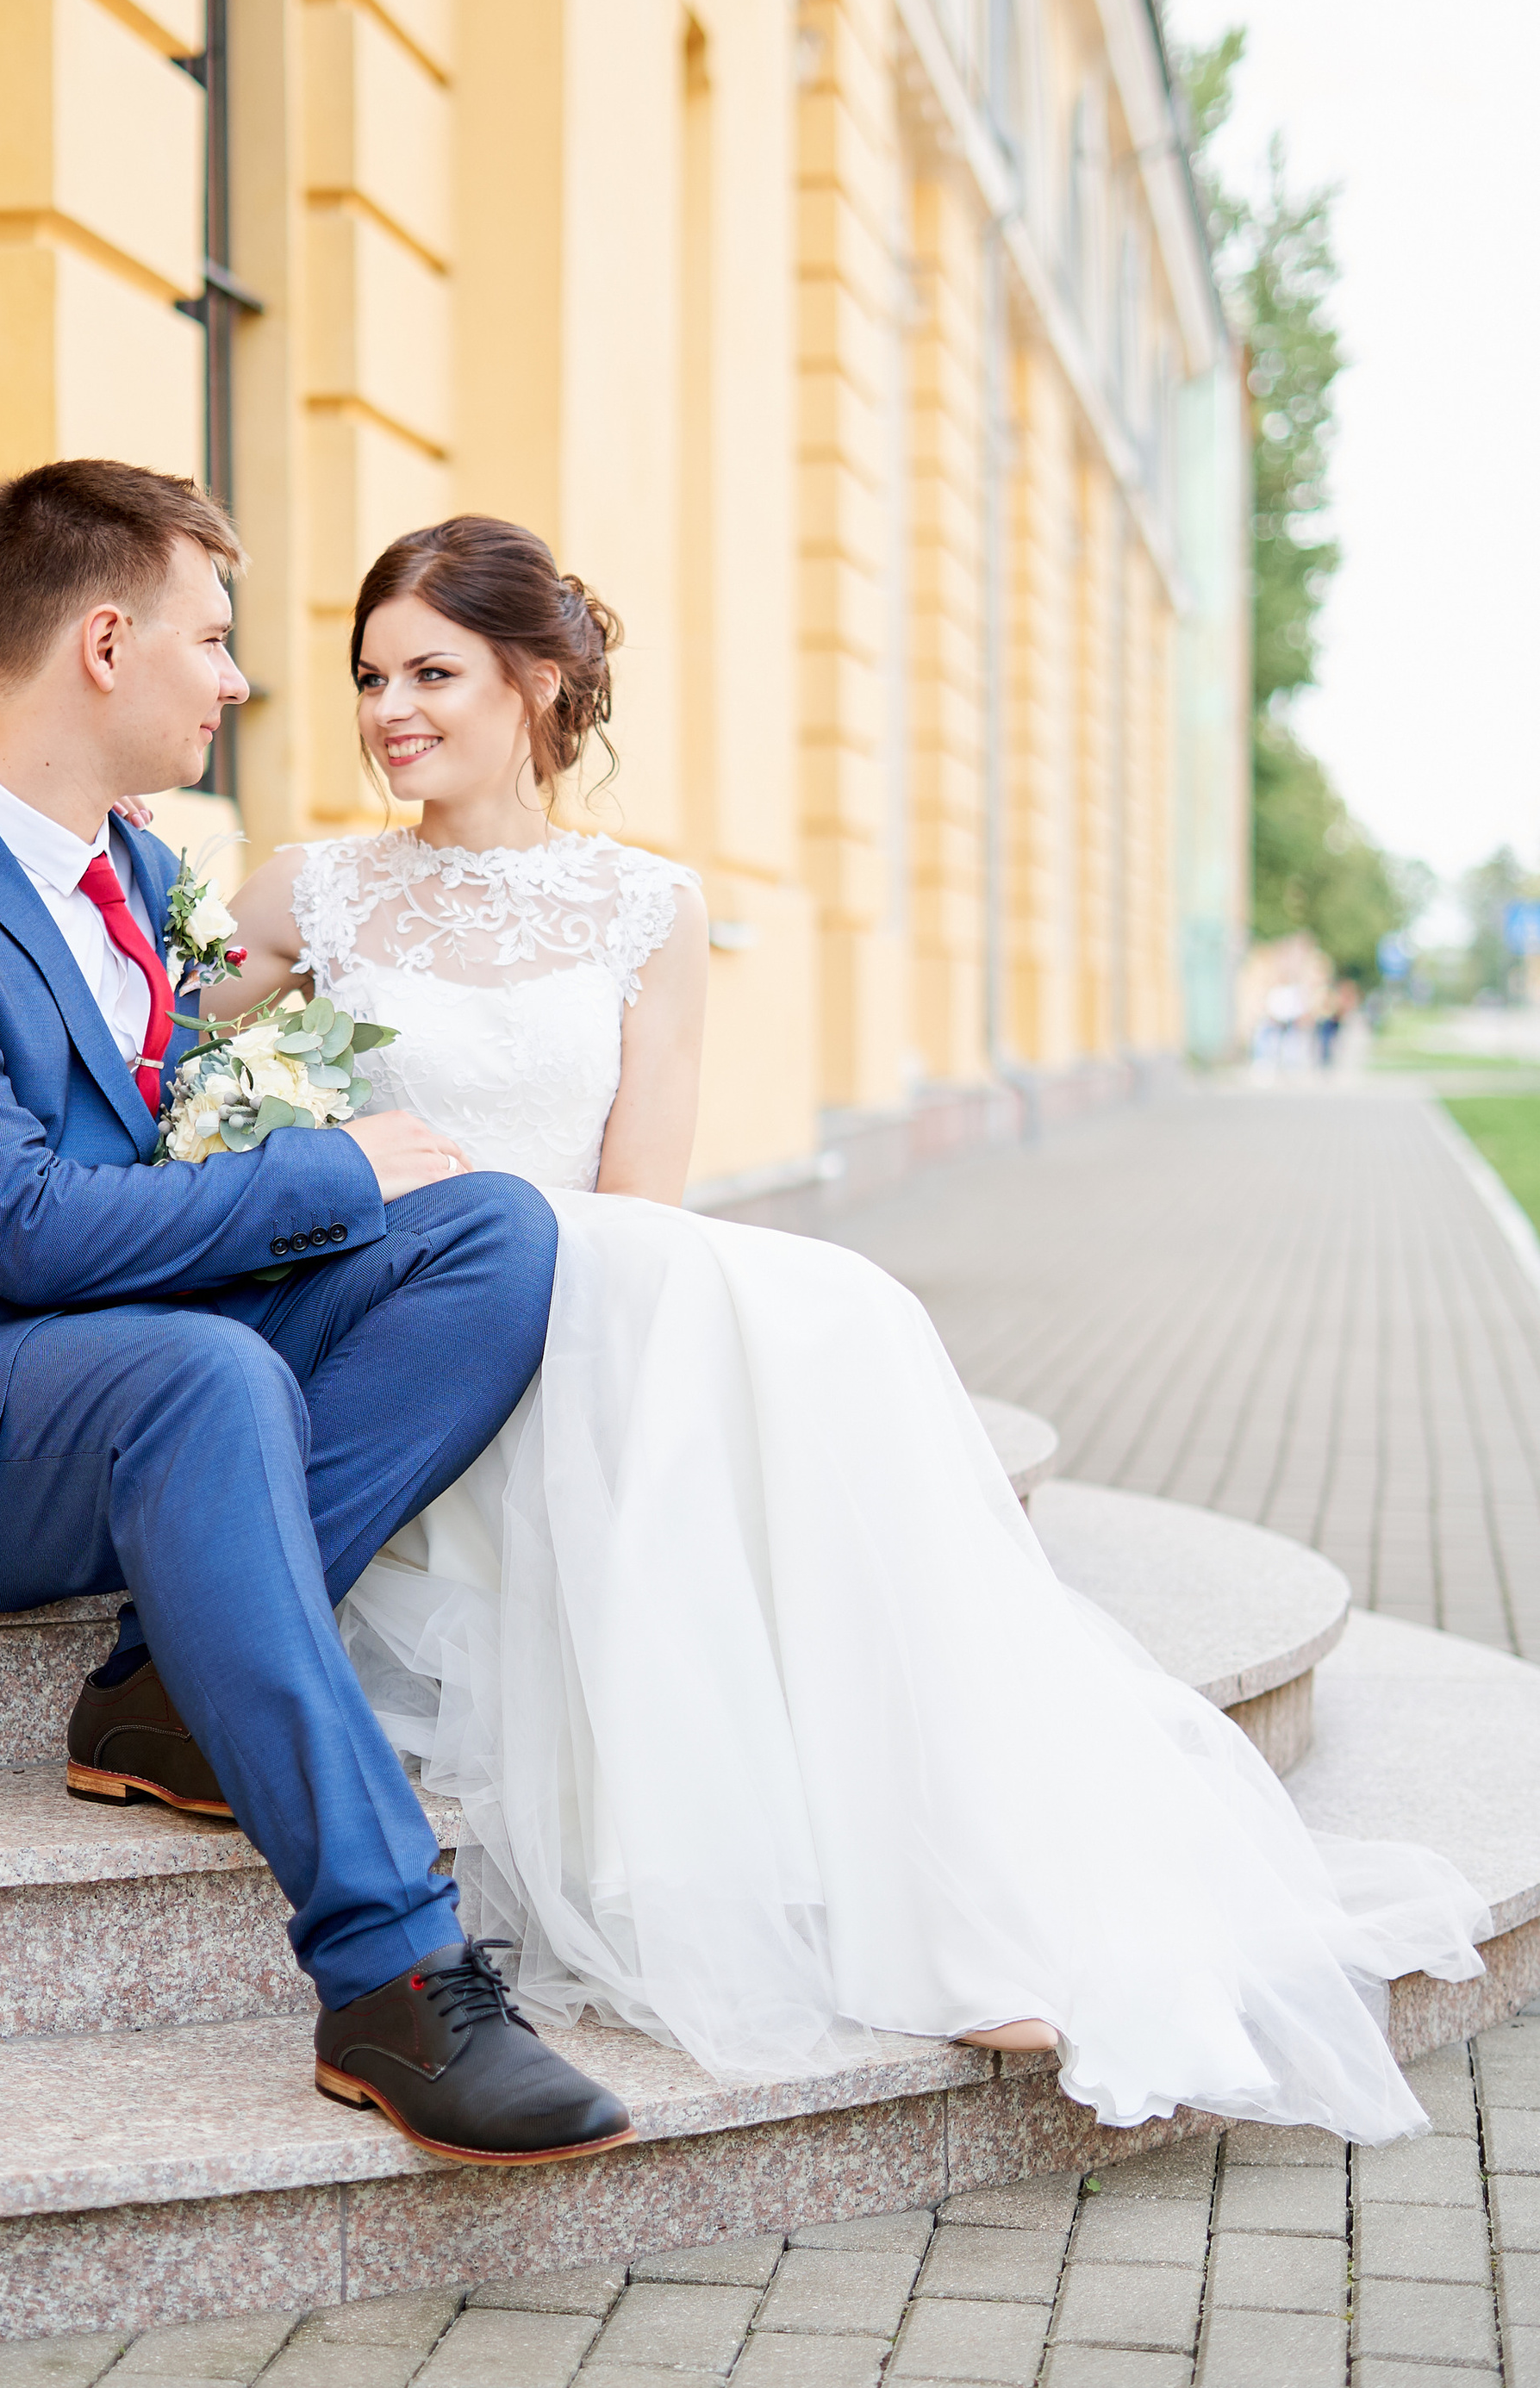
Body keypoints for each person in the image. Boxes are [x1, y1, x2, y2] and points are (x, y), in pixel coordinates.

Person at [212, 514, 1491, 2142]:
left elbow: (641, 1192)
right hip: (402, 1315)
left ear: (535, 682)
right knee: (802, 1317)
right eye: (371, 676)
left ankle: (970, 1904)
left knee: (835, 1319)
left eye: (433, 672)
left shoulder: (643, 909)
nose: (391, 707)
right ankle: (922, 1908)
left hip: (578, 1274)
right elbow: (167, 1065)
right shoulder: (310, 888)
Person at [0, 460, 634, 2171]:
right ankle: (391, 1974)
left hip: (117, 1351)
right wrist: (329, 1170)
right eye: (215, 643)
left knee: (490, 1235)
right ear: (107, 641)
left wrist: (338, 1175)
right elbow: (24, 1231)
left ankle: (161, 1698)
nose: (237, 681)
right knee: (202, 1372)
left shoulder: (133, 873)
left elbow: (168, 1142)